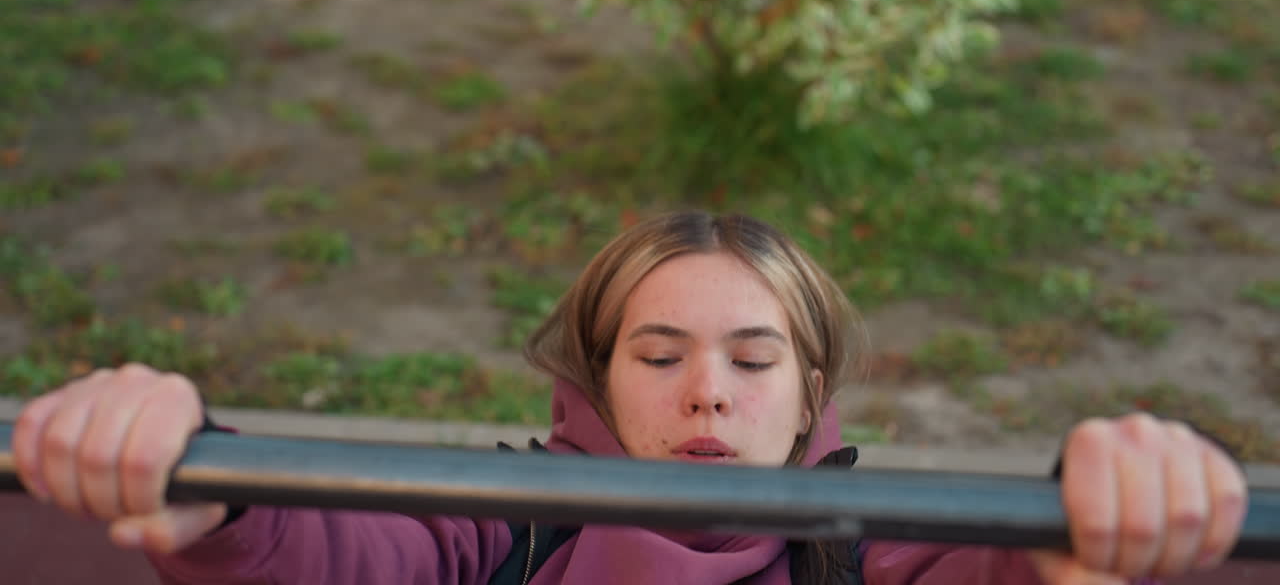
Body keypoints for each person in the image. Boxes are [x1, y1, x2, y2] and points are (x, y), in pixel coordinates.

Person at [11, 211, 1248, 585]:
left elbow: (988, 579)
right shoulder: (501, 522)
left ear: (809, 387)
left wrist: (1085, 538)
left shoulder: (878, 545)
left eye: (753, 361)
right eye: (657, 358)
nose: (706, 394)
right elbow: (343, 550)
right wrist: (209, 487)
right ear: (596, 381)